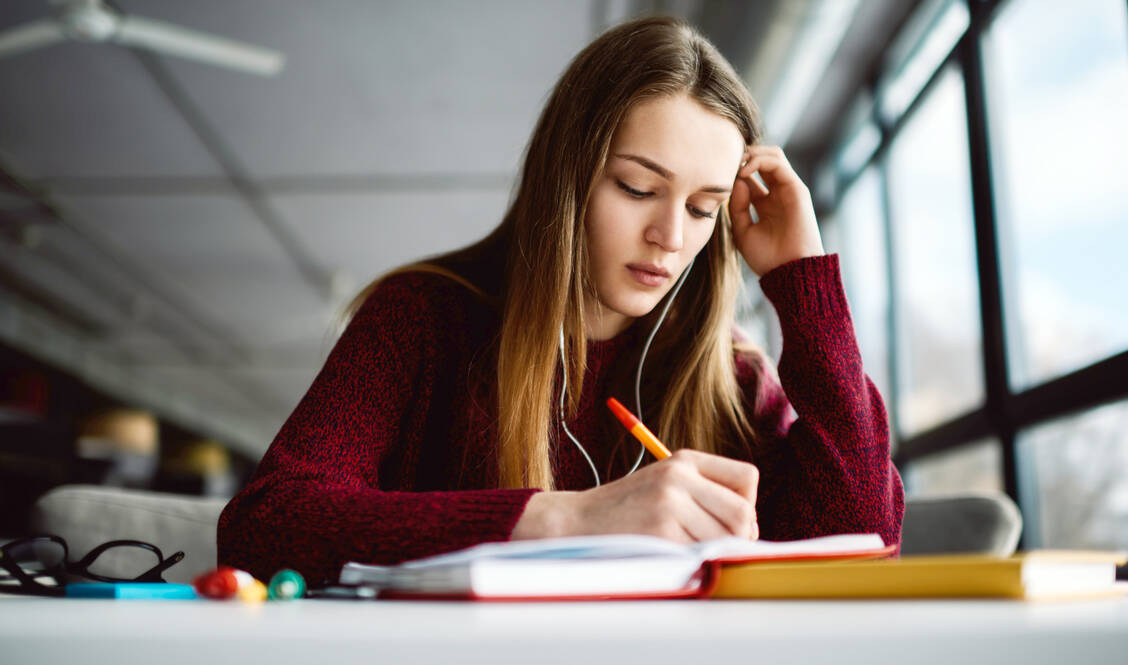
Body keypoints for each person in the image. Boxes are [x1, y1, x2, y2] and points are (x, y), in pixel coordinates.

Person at [218, 15, 904, 585]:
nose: (669, 236)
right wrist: (567, 519)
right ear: (566, 177)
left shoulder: (730, 373)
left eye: (703, 207)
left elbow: (865, 538)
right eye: (637, 188)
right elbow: (265, 525)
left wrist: (804, 284)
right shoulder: (421, 318)